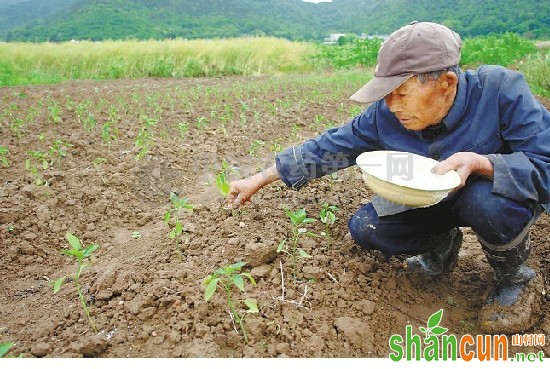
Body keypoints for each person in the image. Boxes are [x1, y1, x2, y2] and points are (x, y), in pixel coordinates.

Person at [227, 21, 549, 333]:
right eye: (386, 95)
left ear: (447, 83)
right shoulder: (385, 114)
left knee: (487, 204)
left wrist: (482, 163)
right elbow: (332, 149)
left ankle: (514, 277)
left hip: (486, 198)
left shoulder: (500, 92)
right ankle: (441, 244)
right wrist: (261, 178)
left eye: (401, 93)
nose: (392, 106)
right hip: (430, 200)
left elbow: (545, 164)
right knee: (367, 227)